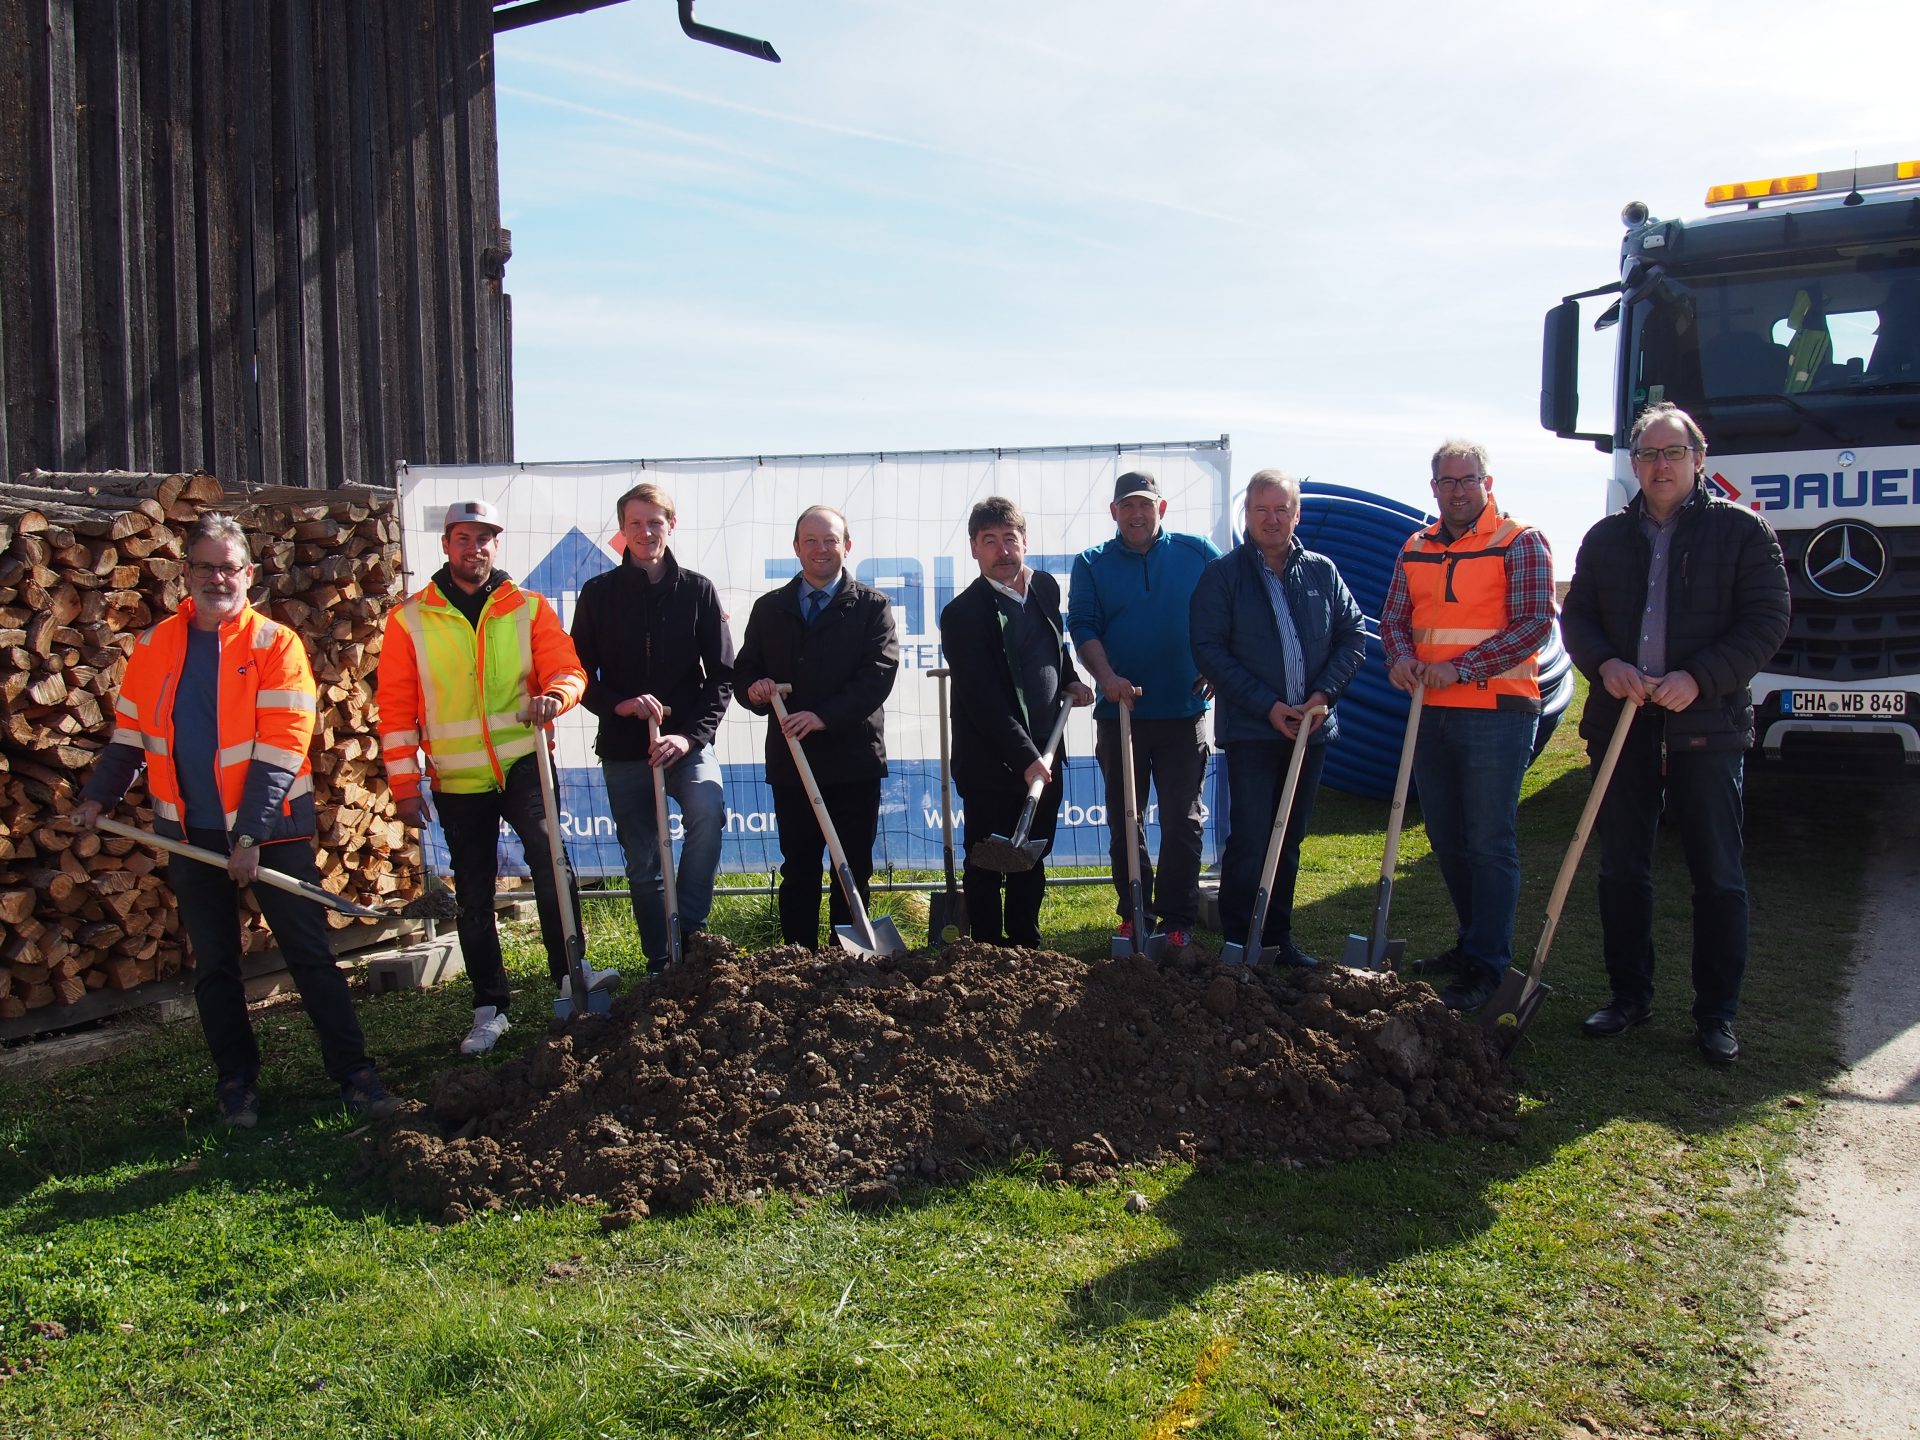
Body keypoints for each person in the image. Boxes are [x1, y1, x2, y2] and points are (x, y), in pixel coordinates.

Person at [73, 516, 396, 1127]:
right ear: (185, 574)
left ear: (249, 574)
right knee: (216, 967)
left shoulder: (276, 646)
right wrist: (97, 798)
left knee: (309, 956)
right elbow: (130, 737)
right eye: (205, 567)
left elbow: (282, 748)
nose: (218, 578)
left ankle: (356, 1076)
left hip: (272, 832)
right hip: (190, 836)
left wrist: (250, 835)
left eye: (229, 567)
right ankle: (237, 1085)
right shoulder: (155, 647)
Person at [1561, 402, 1789, 1063]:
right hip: (1623, 724)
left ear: (1699, 458)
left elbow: (1766, 621)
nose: (1659, 466)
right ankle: (1629, 997)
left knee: (1716, 874)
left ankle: (1715, 1016)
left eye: (1671, 453)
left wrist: (1701, 678)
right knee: (1622, 867)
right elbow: (1579, 620)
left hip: (1707, 725)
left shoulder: (1744, 534)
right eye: (1647, 455)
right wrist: (1605, 664)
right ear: (1635, 465)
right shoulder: (1605, 539)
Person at [377, 499, 597, 1056]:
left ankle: (573, 978)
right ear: (446, 544)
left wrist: (557, 697)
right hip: (457, 779)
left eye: (484, 539)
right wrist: (405, 786)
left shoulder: (527, 607)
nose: (473, 549)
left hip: (525, 762)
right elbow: (397, 708)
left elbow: (569, 669)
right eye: (463, 538)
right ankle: (490, 1008)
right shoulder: (409, 619)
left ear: (497, 544)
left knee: (553, 865)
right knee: (473, 894)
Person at [1381, 440, 1556, 1009]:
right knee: (1447, 837)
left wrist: (1461, 668)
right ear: (1433, 488)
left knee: (1488, 839)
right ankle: (1471, 941)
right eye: (1446, 482)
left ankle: (1488, 964)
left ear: (1487, 481)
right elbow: (1393, 619)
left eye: (1467, 479)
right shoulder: (1416, 545)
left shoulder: (1519, 541)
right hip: (1430, 712)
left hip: (1497, 713)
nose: (1457, 490)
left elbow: (1532, 625)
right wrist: (1402, 657)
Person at [1190, 470, 1365, 967]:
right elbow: (1208, 650)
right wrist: (1266, 705)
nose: (1271, 519)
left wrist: (1323, 695)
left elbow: (1353, 637)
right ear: (1246, 515)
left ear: (1297, 514)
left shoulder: (1321, 572)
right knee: (1250, 835)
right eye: (1261, 510)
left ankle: (1278, 939)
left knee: (1289, 835)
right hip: (1253, 731)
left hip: (1311, 731)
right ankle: (1240, 940)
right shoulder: (1223, 576)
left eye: (1281, 509)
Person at [570, 483, 732, 969]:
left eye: (654, 522)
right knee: (643, 858)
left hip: (686, 744)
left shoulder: (698, 590)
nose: (645, 532)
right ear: (622, 531)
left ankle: (691, 930)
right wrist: (617, 706)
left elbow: (722, 675)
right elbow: (577, 673)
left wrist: (689, 736)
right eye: (635, 523)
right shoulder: (598, 594)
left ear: (671, 525)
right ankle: (660, 957)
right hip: (624, 750)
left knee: (708, 810)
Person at [1067, 471, 1221, 950]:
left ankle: (1178, 918)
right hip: (1122, 716)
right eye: (1127, 506)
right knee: (1125, 817)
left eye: (1145, 505)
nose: (1137, 514)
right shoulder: (1092, 563)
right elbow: (1083, 623)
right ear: (1114, 512)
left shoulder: (1198, 553)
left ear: (1162, 508)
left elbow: (1228, 608)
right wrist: (1106, 678)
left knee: (1182, 818)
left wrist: (1218, 664)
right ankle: (1135, 911)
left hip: (1184, 712)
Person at [735, 506, 899, 948]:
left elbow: (878, 675)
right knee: (799, 866)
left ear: (847, 546)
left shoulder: (872, 606)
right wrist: (755, 688)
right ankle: (799, 964)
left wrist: (824, 716)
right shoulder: (770, 609)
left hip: (853, 759)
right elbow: (744, 670)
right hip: (793, 762)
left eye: (830, 540)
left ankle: (850, 959)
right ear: (796, 548)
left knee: (852, 865)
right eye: (811, 540)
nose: (821, 549)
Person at [942, 496, 1094, 946]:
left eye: (1010, 538)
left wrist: (1070, 679)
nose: (1002, 550)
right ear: (974, 549)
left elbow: (1053, 645)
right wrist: (1025, 757)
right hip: (991, 762)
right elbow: (983, 699)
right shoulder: (963, 615)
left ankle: (1026, 942)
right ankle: (988, 951)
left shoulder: (1044, 587)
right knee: (988, 861)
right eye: (990, 541)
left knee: (1032, 854)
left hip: (1045, 751)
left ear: (1025, 541)